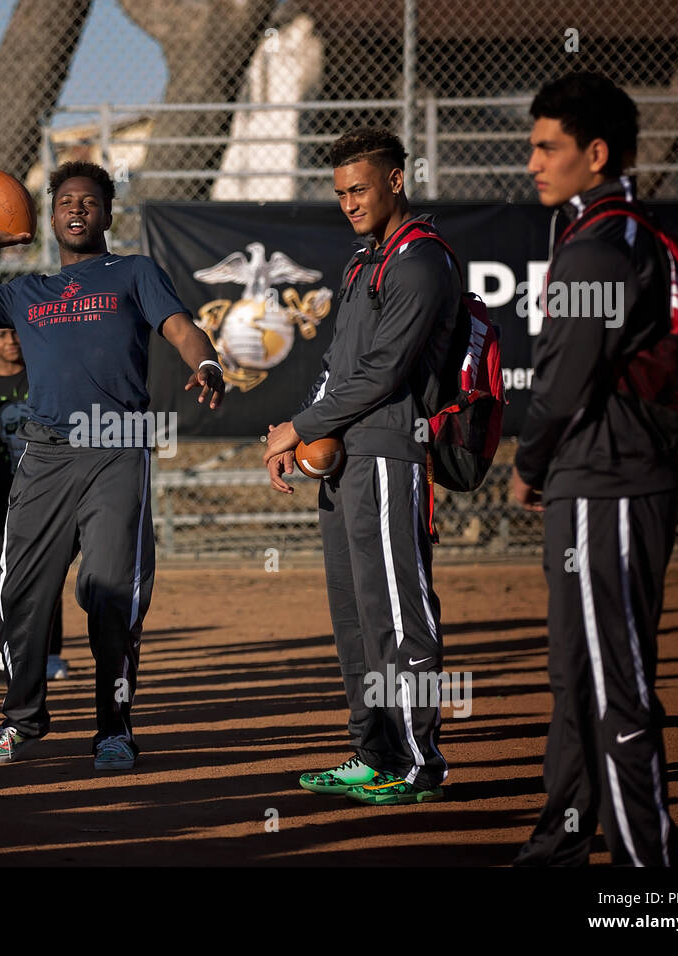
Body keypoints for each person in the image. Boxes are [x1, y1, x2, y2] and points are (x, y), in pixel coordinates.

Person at [0, 160, 223, 770]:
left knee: (111, 593)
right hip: (46, 454)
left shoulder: (135, 273)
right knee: (23, 590)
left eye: (89, 200)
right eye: (64, 201)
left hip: (117, 445)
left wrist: (207, 362)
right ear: (51, 215)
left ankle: (114, 728)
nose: (77, 209)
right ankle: (21, 719)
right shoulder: (25, 292)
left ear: (109, 214)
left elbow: (181, 328)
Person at [510, 73, 678, 867]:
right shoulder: (607, 233)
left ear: (597, 153)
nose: (534, 162)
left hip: (606, 482)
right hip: (598, 479)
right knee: (577, 675)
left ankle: (652, 880)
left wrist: (528, 460)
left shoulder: (600, 246)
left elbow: (562, 382)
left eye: (549, 147)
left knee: (616, 686)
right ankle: (562, 841)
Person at [264, 128, 457, 806]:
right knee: (353, 620)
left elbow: (383, 374)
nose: (349, 202)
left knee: (397, 618)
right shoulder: (361, 262)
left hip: (385, 453)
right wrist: (301, 434)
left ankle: (419, 762)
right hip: (343, 463)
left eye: (360, 189)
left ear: (396, 180)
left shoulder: (419, 261)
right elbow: (335, 368)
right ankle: (372, 754)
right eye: (340, 192)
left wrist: (301, 426)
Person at [0, 327, 68, 679]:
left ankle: (52, 653)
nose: (11, 341)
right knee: (1, 573)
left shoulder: (45, 375)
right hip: (4, 495)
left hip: (49, 491)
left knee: (51, 571)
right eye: (1, 335)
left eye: (16, 333)